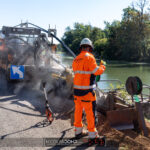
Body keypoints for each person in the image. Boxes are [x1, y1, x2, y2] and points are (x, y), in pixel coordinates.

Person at [72, 38, 106, 139]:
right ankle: (93, 135)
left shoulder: (76, 59)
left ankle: (78, 132)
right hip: (87, 93)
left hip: (77, 92)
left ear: (81, 47)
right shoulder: (90, 57)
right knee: (90, 114)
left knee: (78, 112)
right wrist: (103, 66)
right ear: (90, 48)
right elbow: (96, 72)